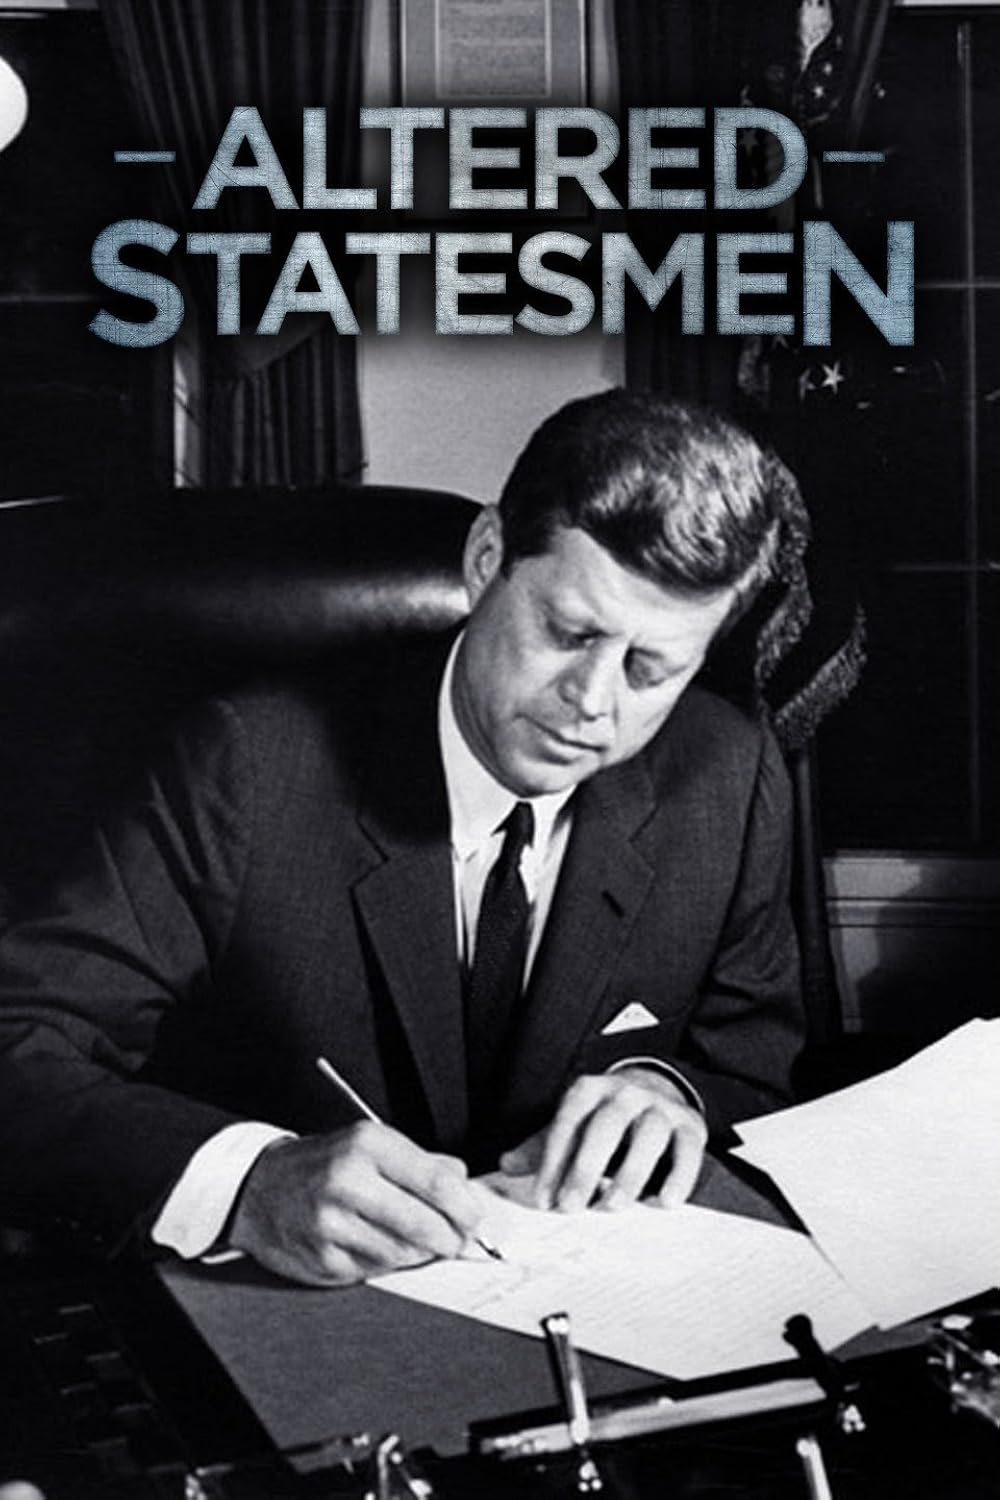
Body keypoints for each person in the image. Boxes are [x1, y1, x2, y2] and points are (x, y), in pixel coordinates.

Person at [0, 390, 806, 1286]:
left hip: (576, 1302)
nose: (593, 701)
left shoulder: (726, 774)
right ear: (487, 558)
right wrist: (248, 1183)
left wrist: (670, 1094)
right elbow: (21, 1046)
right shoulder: (248, 766)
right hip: (288, 1312)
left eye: (651, 669)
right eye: (568, 632)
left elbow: (754, 1063)